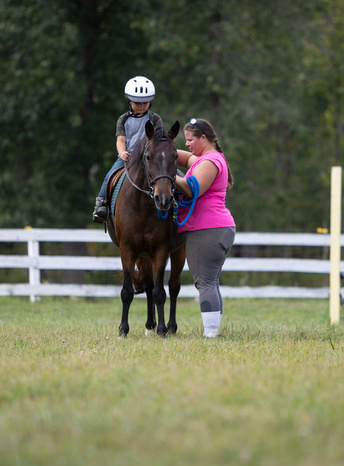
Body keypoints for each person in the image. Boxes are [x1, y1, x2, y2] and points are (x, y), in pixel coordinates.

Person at [175, 118, 236, 338]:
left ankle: (210, 335)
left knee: (206, 282)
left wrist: (165, 176)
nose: (188, 144)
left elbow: (193, 189)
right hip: (215, 228)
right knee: (211, 281)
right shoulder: (205, 159)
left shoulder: (210, 162)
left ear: (204, 138)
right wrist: (162, 152)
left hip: (207, 229)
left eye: (191, 140)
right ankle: (213, 331)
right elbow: (184, 157)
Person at [92, 76, 163, 223]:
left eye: (145, 102)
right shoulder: (123, 119)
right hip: (129, 155)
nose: (141, 106)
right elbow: (120, 140)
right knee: (110, 175)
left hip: (150, 155)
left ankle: (175, 199)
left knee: (166, 172)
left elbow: (159, 139)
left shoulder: (155, 119)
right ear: (129, 101)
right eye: (137, 102)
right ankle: (101, 203)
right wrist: (122, 152)